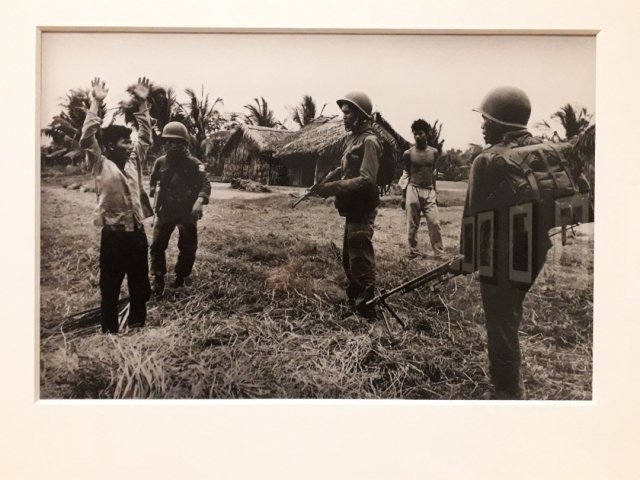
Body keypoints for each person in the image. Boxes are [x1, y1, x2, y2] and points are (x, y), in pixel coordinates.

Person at [463, 86, 551, 399]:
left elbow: (472, 217)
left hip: (501, 254)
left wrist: (467, 259)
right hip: (536, 249)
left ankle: (507, 392)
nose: (483, 125)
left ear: (500, 122)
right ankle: (509, 385)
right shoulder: (543, 150)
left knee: (500, 321)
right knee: (510, 310)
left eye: (486, 118)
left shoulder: (486, 160)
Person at [80, 77, 153, 333]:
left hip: (137, 236)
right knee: (110, 287)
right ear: (111, 145)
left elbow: (145, 137)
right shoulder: (99, 162)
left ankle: (136, 325)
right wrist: (96, 101)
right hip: (113, 237)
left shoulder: (134, 161)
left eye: (129, 141)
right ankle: (109, 330)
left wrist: (142, 103)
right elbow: (87, 136)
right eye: (124, 142)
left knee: (140, 286)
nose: (130, 144)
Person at [314, 91, 382, 319]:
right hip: (352, 206)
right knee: (349, 257)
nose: (344, 117)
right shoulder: (353, 138)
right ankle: (355, 300)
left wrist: (333, 187)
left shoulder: (370, 141)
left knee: (360, 255)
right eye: (343, 113)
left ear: (361, 115)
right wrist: (322, 183)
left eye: (348, 113)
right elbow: (345, 168)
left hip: (363, 206)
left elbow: (366, 180)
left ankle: (367, 307)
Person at [149, 121, 211, 295]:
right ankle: (158, 277)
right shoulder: (160, 162)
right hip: (166, 211)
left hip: (187, 211)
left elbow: (205, 184)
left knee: (188, 246)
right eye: (167, 142)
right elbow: (154, 180)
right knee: (157, 245)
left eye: (175, 142)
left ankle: (181, 277)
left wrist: (200, 201)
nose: (170, 145)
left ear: (184, 143)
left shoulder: (195, 163)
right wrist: (153, 190)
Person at [399, 119, 444, 259]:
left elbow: (433, 173)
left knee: (435, 223)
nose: (418, 137)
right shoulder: (408, 154)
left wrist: (435, 192)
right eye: (415, 134)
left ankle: (439, 252)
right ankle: (414, 251)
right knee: (412, 225)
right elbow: (405, 174)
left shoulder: (434, 152)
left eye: (420, 133)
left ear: (427, 134)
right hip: (413, 190)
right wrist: (403, 196)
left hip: (429, 191)